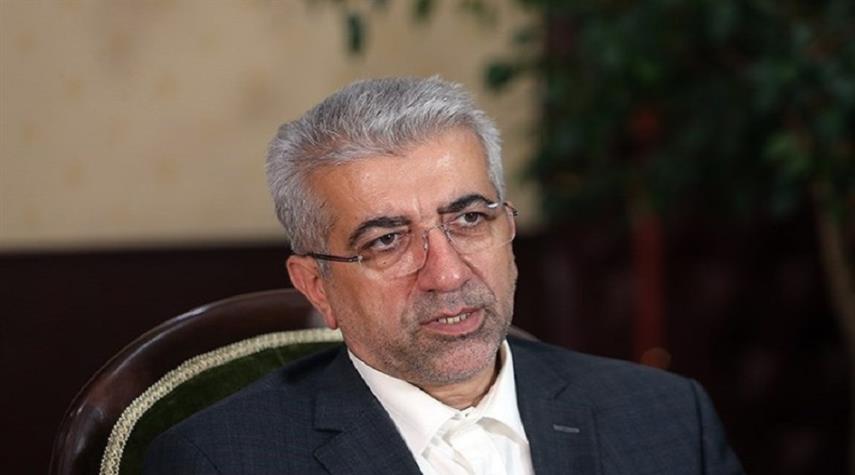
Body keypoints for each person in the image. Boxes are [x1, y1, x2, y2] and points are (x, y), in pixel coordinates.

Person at [144, 76, 744, 474]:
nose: (447, 274)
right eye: (386, 240)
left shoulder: (666, 417)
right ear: (317, 286)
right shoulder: (218, 461)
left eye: (469, 219)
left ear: (509, 229)